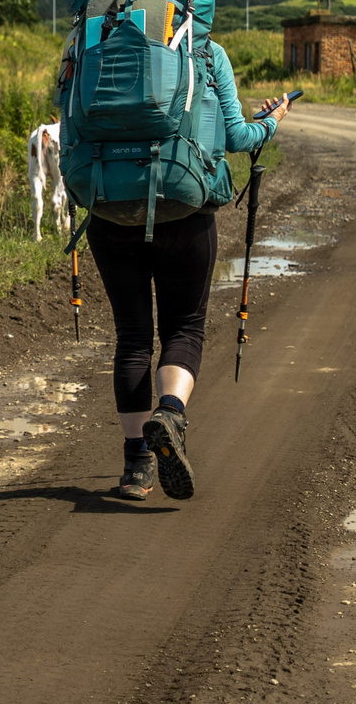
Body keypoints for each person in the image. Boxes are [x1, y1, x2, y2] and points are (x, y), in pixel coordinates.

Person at [87, 49, 294, 503]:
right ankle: (170, 413)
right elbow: (237, 136)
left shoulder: (95, 39)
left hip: (110, 208)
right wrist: (272, 120)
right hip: (185, 206)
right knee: (184, 327)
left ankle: (136, 467)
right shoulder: (205, 47)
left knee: (133, 336)